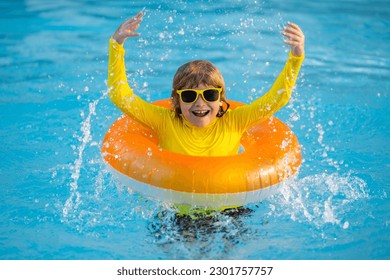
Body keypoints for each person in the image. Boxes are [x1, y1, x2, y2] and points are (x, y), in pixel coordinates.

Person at [107, 11, 305, 157]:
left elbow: (277, 98)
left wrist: (295, 58)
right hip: (178, 209)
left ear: (221, 98)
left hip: (228, 207)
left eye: (209, 95)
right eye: (189, 95)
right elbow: (120, 95)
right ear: (176, 100)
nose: (200, 103)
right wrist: (116, 45)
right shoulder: (164, 122)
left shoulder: (235, 122)